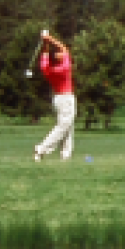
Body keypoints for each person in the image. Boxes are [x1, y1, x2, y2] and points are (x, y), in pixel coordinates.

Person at [34, 31, 76, 162]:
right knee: (63, 126)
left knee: (68, 127)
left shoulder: (47, 69)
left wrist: (45, 44)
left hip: (58, 99)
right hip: (66, 98)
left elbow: (45, 56)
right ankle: (42, 148)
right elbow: (64, 48)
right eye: (58, 54)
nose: (60, 53)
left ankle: (65, 156)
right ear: (59, 58)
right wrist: (49, 38)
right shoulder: (64, 67)